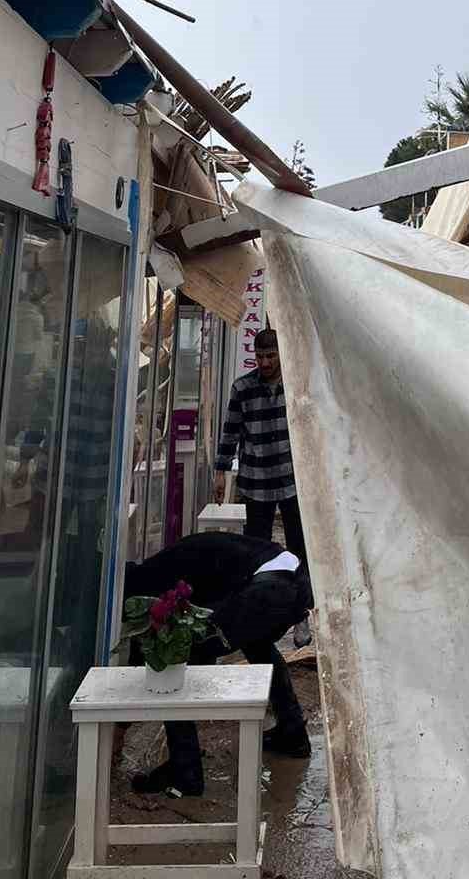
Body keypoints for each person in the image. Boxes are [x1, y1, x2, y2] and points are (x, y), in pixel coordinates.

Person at [123, 529, 312, 796]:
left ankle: (184, 771)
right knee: (255, 641)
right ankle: (292, 735)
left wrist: (121, 717)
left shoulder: (156, 579)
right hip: (293, 580)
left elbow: (163, 643)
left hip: (268, 589)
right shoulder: (175, 559)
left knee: (174, 662)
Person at [215, 327, 312, 645]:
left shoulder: (296, 384)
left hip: (290, 480)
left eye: (271, 356)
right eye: (260, 357)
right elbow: (230, 431)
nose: (265, 362)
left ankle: (301, 615)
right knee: (255, 551)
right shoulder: (242, 388)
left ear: (281, 354)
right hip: (256, 481)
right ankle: (255, 616)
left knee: (298, 550)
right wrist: (220, 470)